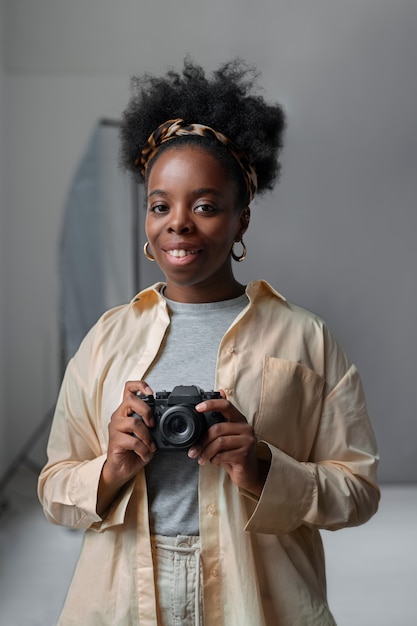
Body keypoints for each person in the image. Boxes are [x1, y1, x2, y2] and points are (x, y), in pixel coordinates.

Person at [38, 58, 380, 626]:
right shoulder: (108, 338)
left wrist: (264, 467)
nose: (178, 223)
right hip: (124, 596)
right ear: (147, 219)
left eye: (205, 206)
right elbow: (53, 486)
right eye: (159, 205)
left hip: (259, 595)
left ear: (241, 219)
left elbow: (358, 491)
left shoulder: (304, 338)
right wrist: (111, 469)